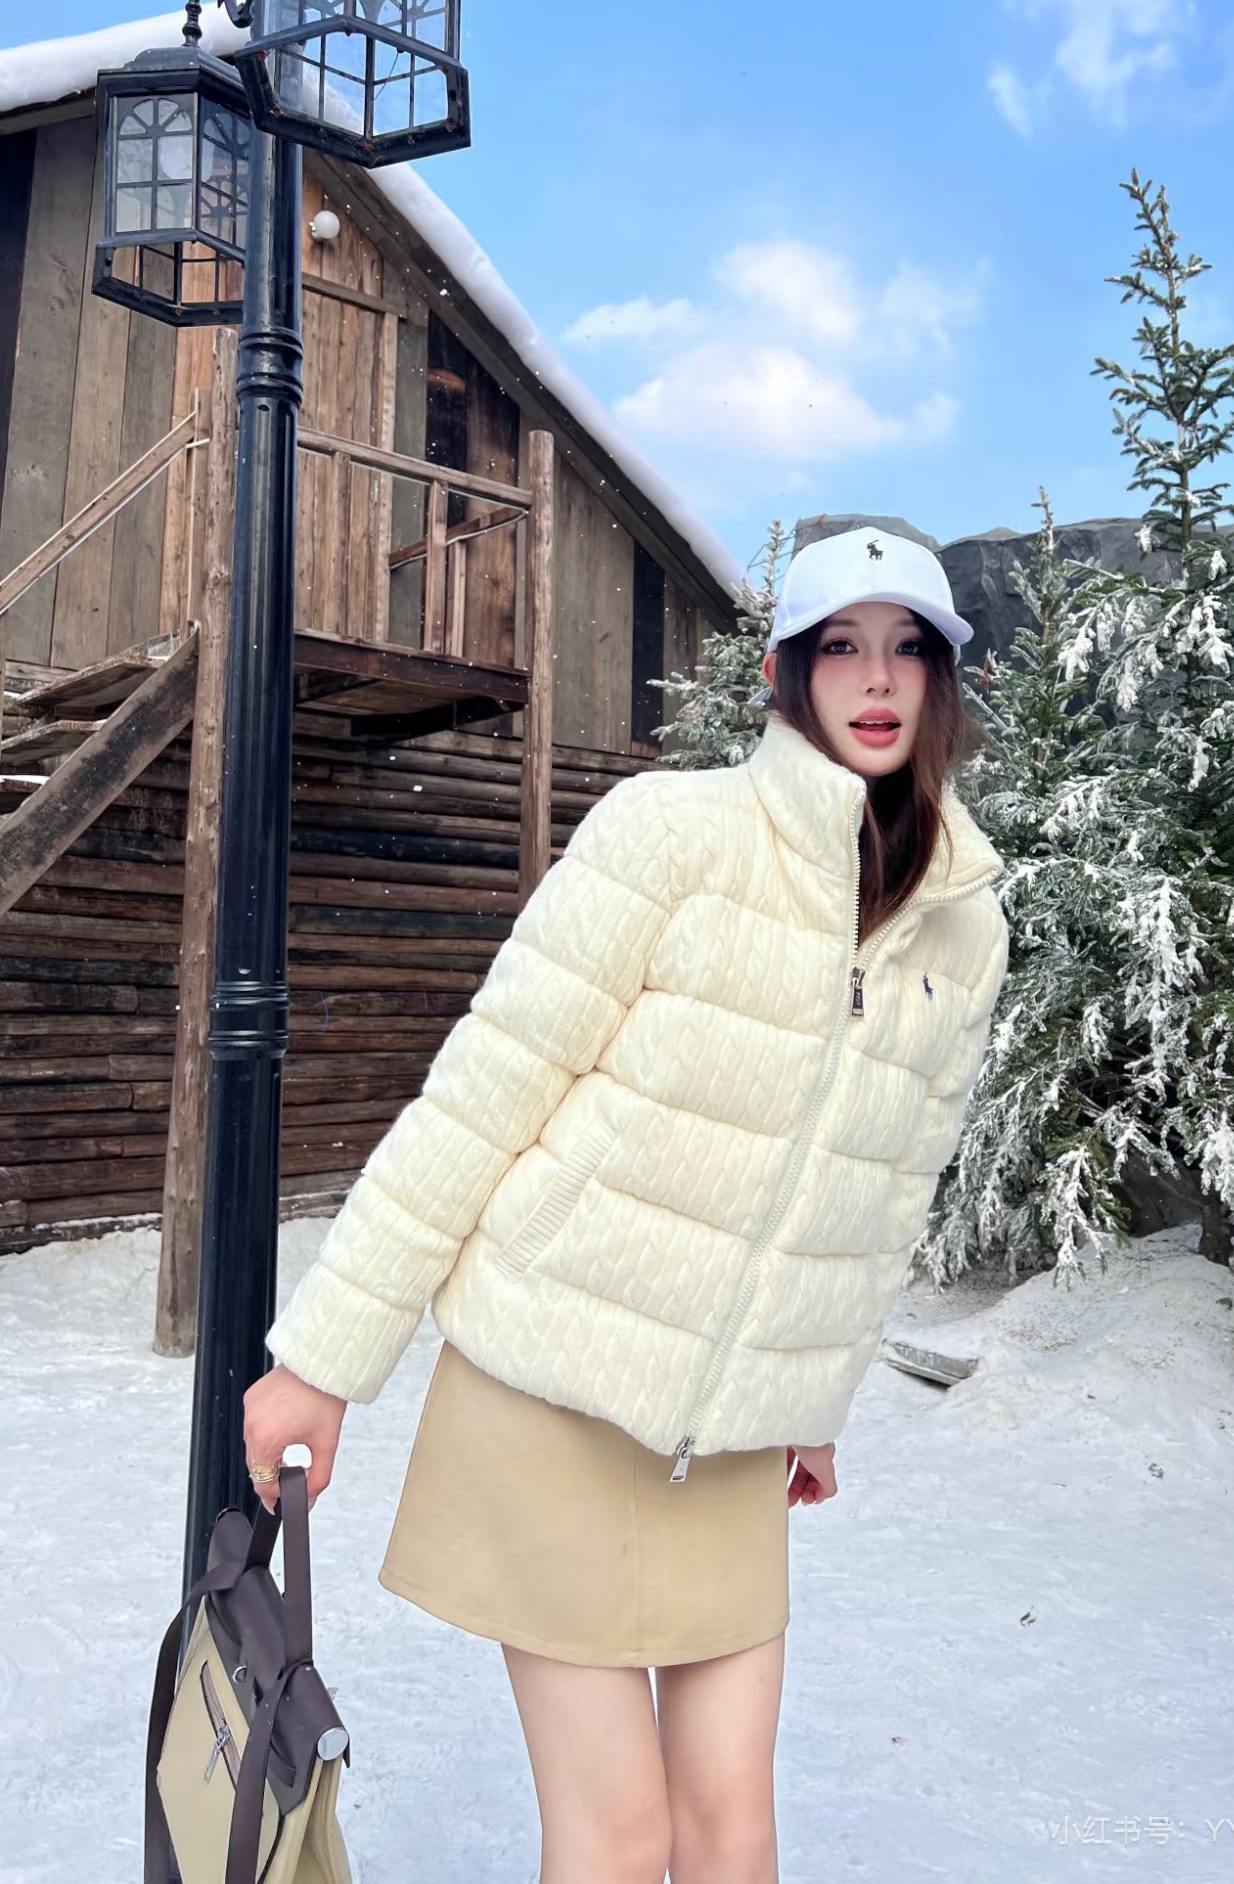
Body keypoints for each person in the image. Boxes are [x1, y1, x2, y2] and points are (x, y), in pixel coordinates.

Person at [243, 524, 1010, 1884]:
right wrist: (323, 1362)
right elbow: (485, 1095)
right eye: (842, 646)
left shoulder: (967, 920)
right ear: (786, 673)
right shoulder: (672, 834)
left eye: (908, 649)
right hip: (555, 1387)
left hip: (732, 1433)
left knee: (732, 1829)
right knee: (619, 1834)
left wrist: (816, 1395)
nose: (878, 678)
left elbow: (889, 1191)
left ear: (942, 680)